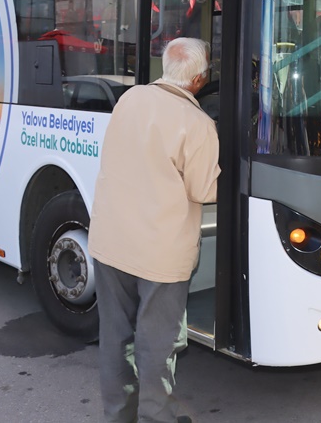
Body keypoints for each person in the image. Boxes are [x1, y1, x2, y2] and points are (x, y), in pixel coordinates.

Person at [89, 37, 220, 423]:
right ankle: (156, 418)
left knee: (115, 339)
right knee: (157, 345)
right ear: (198, 79)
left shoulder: (129, 100)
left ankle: (118, 416)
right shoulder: (198, 124)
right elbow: (205, 190)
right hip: (159, 257)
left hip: (111, 243)